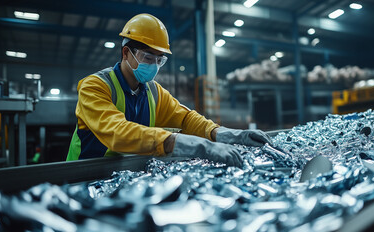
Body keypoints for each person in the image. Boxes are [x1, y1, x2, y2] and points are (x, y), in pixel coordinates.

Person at [66, 13, 272, 167]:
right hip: (84, 175)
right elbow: (118, 133)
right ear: (126, 53)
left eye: (159, 60)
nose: (154, 66)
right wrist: (193, 145)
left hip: (126, 174)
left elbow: (186, 119)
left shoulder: (153, 92)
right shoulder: (95, 86)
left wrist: (223, 134)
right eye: (148, 57)